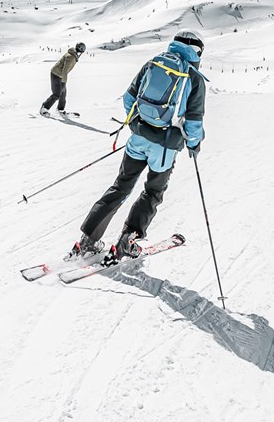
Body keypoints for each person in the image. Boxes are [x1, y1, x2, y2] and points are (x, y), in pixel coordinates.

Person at [71, 31, 206, 262]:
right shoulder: (193, 77)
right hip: (163, 148)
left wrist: (136, 124)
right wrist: (194, 145)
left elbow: (128, 99)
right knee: (152, 192)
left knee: (121, 186)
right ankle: (127, 240)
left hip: (137, 139)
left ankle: (88, 240)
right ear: (196, 51)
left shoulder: (153, 63)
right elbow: (193, 123)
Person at [40, 42, 86, 116]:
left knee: (63, 93)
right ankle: (44, 108)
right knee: (57, 94)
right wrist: (64, 82)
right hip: (56, 74)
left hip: (59, 75)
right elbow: (65, 70)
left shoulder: (73, 55)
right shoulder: (71, 57)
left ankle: (60, 109)